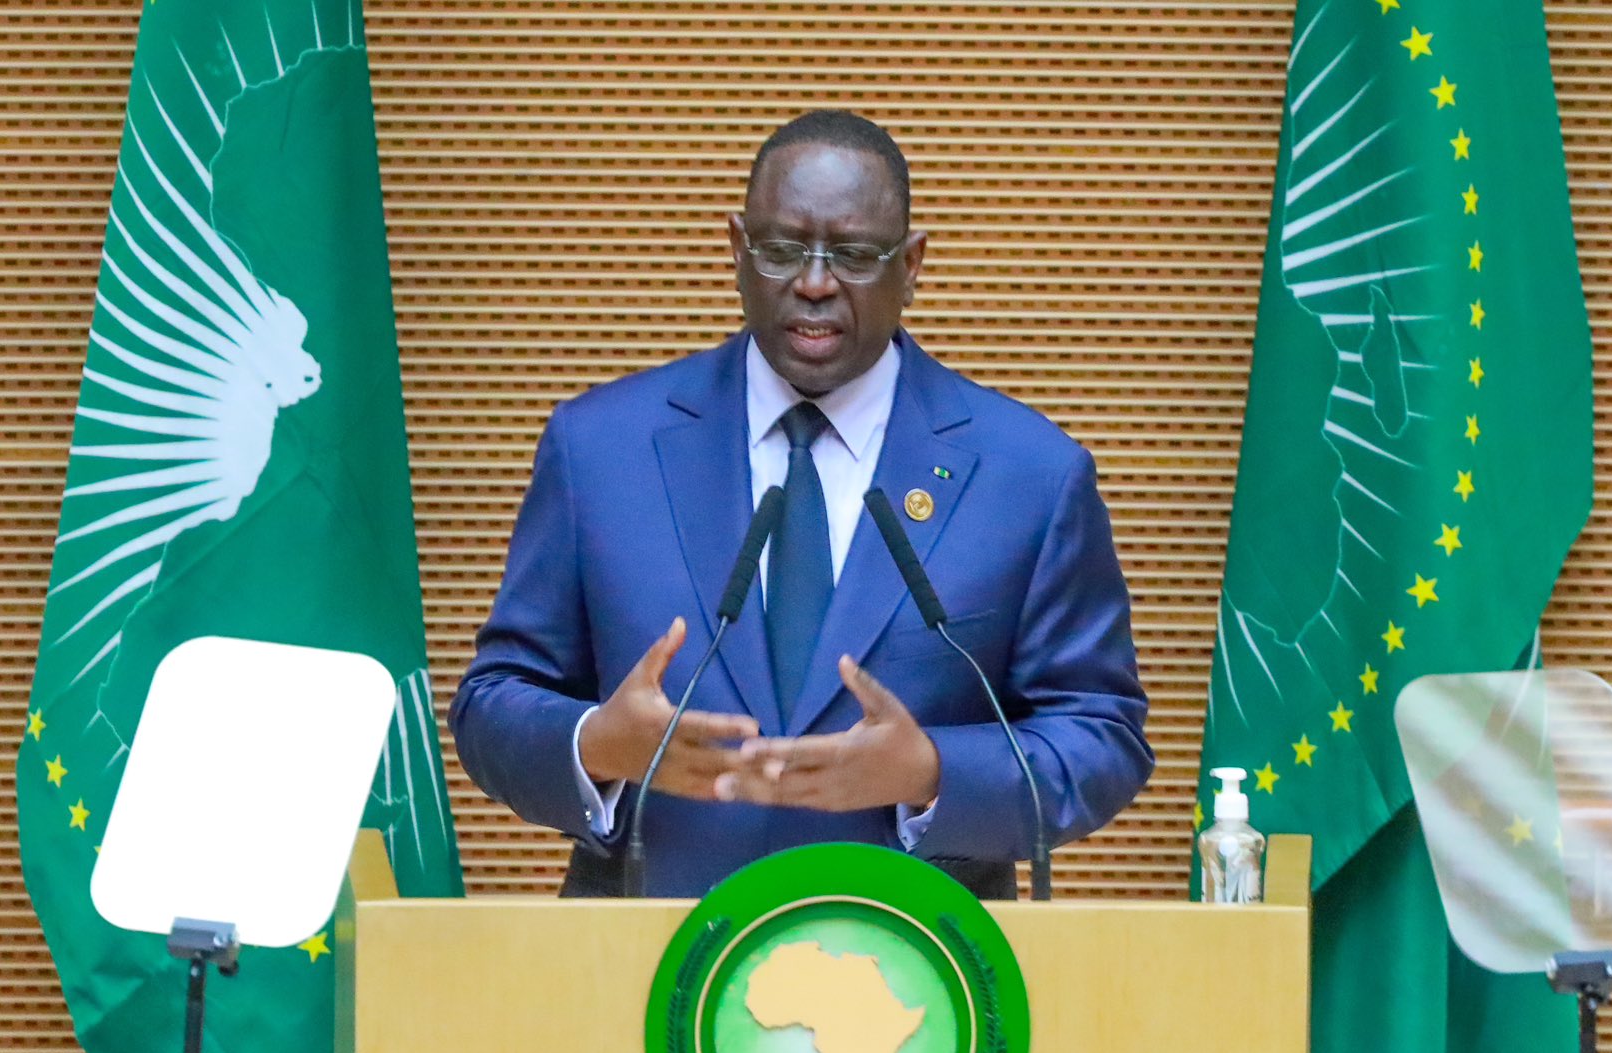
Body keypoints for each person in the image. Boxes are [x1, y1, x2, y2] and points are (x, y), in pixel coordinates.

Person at [450, 110, 1152, 898]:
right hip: (649, 952)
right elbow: (491, 703)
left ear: (911, 265)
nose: (814, 284)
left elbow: (1101, 736)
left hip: (911, 956)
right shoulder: (600, 449)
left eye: (852, 255)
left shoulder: (1029, 474)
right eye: (782, 250)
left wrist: (932, 771)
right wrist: (596, 745)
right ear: (737, 250)